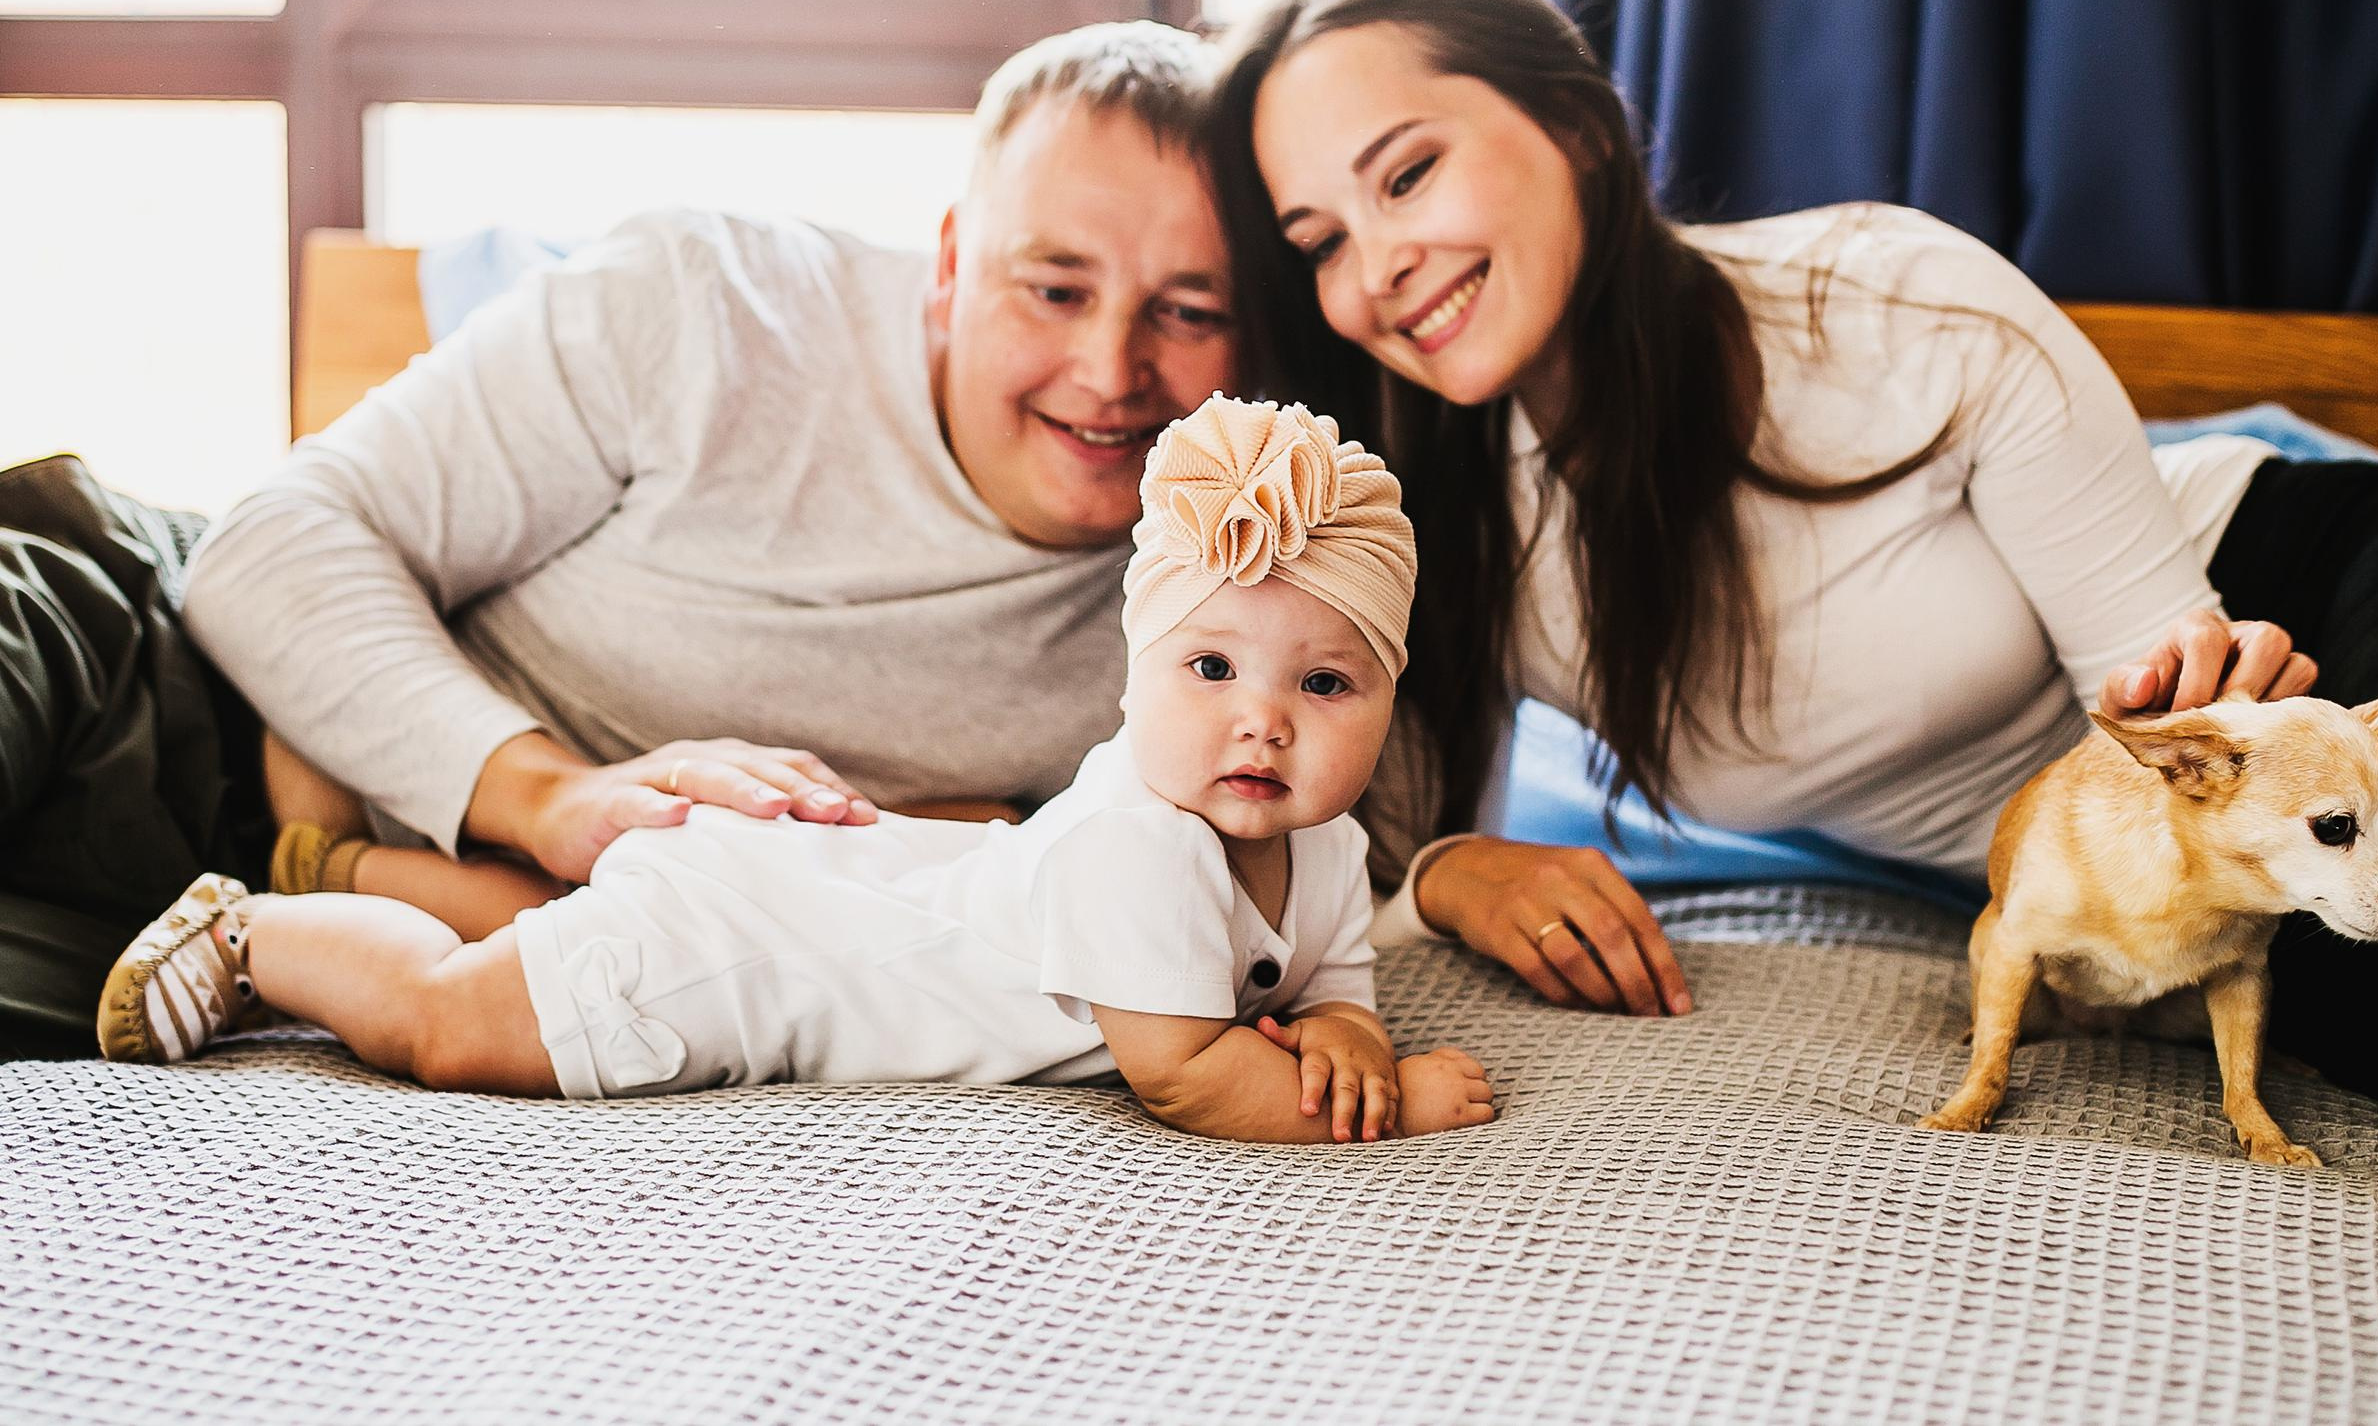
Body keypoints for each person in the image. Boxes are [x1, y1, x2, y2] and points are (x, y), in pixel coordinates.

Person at [1210, 0, 2378, 1178]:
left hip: (2334, 587)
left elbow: (2164, 739)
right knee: (2369, 983)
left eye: (1406, 174)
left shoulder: (1894, 305)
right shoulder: (1432, 517)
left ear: (1571, 123)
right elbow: (1327, 876)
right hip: (2146, 813)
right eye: (1320, 242)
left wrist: (2225, 731)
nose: (1375, 265)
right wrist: (1454, 865)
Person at [99, 398, 1497, 1144]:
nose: (1263, 722)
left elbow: (1331, 985)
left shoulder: (1327, 847)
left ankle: (336, 862)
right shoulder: (1146, 838)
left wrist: (1355, 1034)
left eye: (1324, 681)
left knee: (534, 932)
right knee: (448, 1023)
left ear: (1386, 698)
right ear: (1130, 675)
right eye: (1211, 669)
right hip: (750, 957)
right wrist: (1391, 1103)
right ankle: (255, 929)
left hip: (821, 893)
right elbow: (1188, 1072)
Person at [175, 20, 1244, 941]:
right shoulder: (704, 307)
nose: (1111, 373)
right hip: (179, 696)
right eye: (1054, 290)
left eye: (1191, 313)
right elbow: (266, 548)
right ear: (954, 265)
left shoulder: (1247, 569)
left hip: (406, 914)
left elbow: (1376, 843)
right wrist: (545, 794)